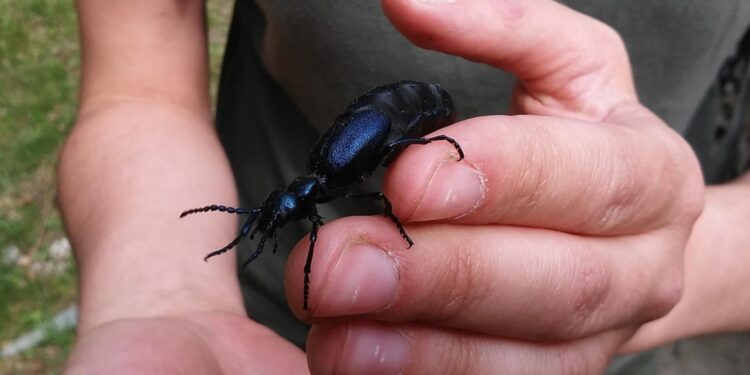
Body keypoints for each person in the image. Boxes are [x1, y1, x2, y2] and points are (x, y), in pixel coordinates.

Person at [61, 0, 750, 374]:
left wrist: (660, 268)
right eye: (274, 219)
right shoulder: (323, 186)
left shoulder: (328, 181)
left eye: (275, 216)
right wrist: (161, 295)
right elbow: (138, 85)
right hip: (260, 336)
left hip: (622, 347)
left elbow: (384, 165)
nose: (275, 220)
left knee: (402, 183)